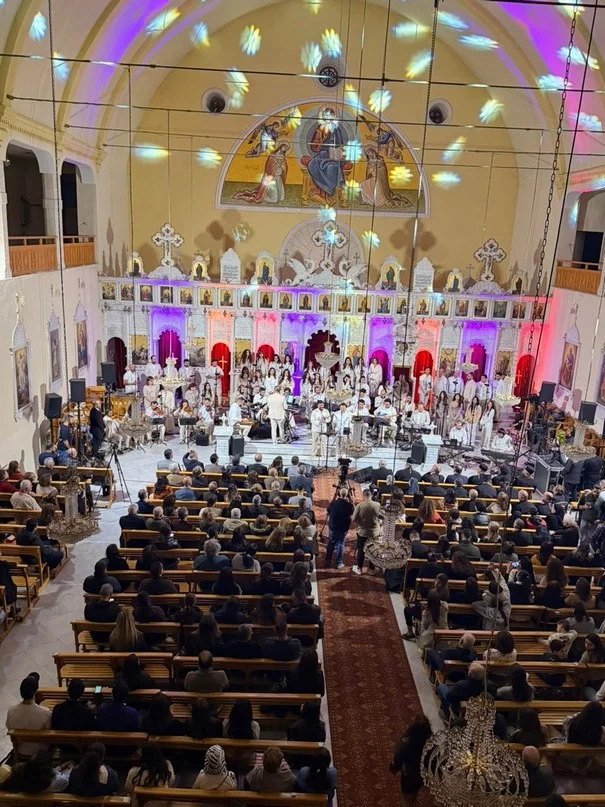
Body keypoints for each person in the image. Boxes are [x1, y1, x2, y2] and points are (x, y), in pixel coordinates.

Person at [390, 716, 433, 806]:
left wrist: (394, 766)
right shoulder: (431, 741)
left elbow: (399, 754)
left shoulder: (408, 740)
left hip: (409, 773)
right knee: (414, 790)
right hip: (422, 772)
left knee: (408, 794)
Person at [5, 675, 51, 757]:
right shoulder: (45, 712)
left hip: (20, 749)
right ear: (36, 691)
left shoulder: (11, 710)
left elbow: (9, 727)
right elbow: (48, 732)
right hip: (39, 750)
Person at [351, 488, 382, 575]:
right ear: (371, 495)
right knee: (372, 550)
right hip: (374, 532)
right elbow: (382, 517)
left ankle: (359, 568)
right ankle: (371, 569)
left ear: (363, 495)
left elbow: (354, 519)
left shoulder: (359, 506)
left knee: (361, 550)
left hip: (362, 532)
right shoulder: (378, 505)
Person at [325, 487, 354, 569]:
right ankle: (339, 563)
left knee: (331, 542)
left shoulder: (334, 502)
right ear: (347, 495)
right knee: (340, 544)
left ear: (339, 494)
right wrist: (352, 501)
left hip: (333, 527)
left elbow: (328, 511)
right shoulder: (349, 505)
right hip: (343, 528)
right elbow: (353, 515)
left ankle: (328, 561)